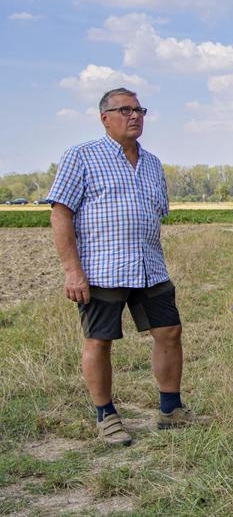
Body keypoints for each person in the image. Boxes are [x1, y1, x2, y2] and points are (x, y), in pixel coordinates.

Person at [47, 87, 195, 447]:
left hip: (149, 267)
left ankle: (170, 409)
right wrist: (72, 270)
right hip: (101, 269)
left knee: (169, 331)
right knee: (99, 341)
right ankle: (107, 416)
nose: (135, 116)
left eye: (140, 109)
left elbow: (156, 214)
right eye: (125, 110)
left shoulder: (153, 163)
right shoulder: (81, 156)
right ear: (105, 118)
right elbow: (60, 213)